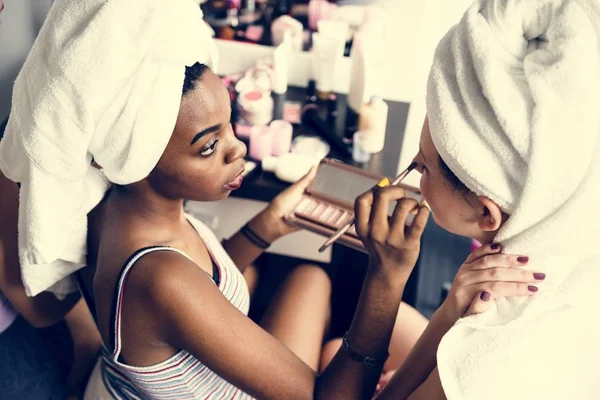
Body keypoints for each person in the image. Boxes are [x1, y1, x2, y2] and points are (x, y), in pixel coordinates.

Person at [372, 0, 600, 398]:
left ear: (485, 211)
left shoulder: (488, 353)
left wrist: (389, 280)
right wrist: (449, 310)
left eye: (423, 167)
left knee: (335, 351)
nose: (411, 164)